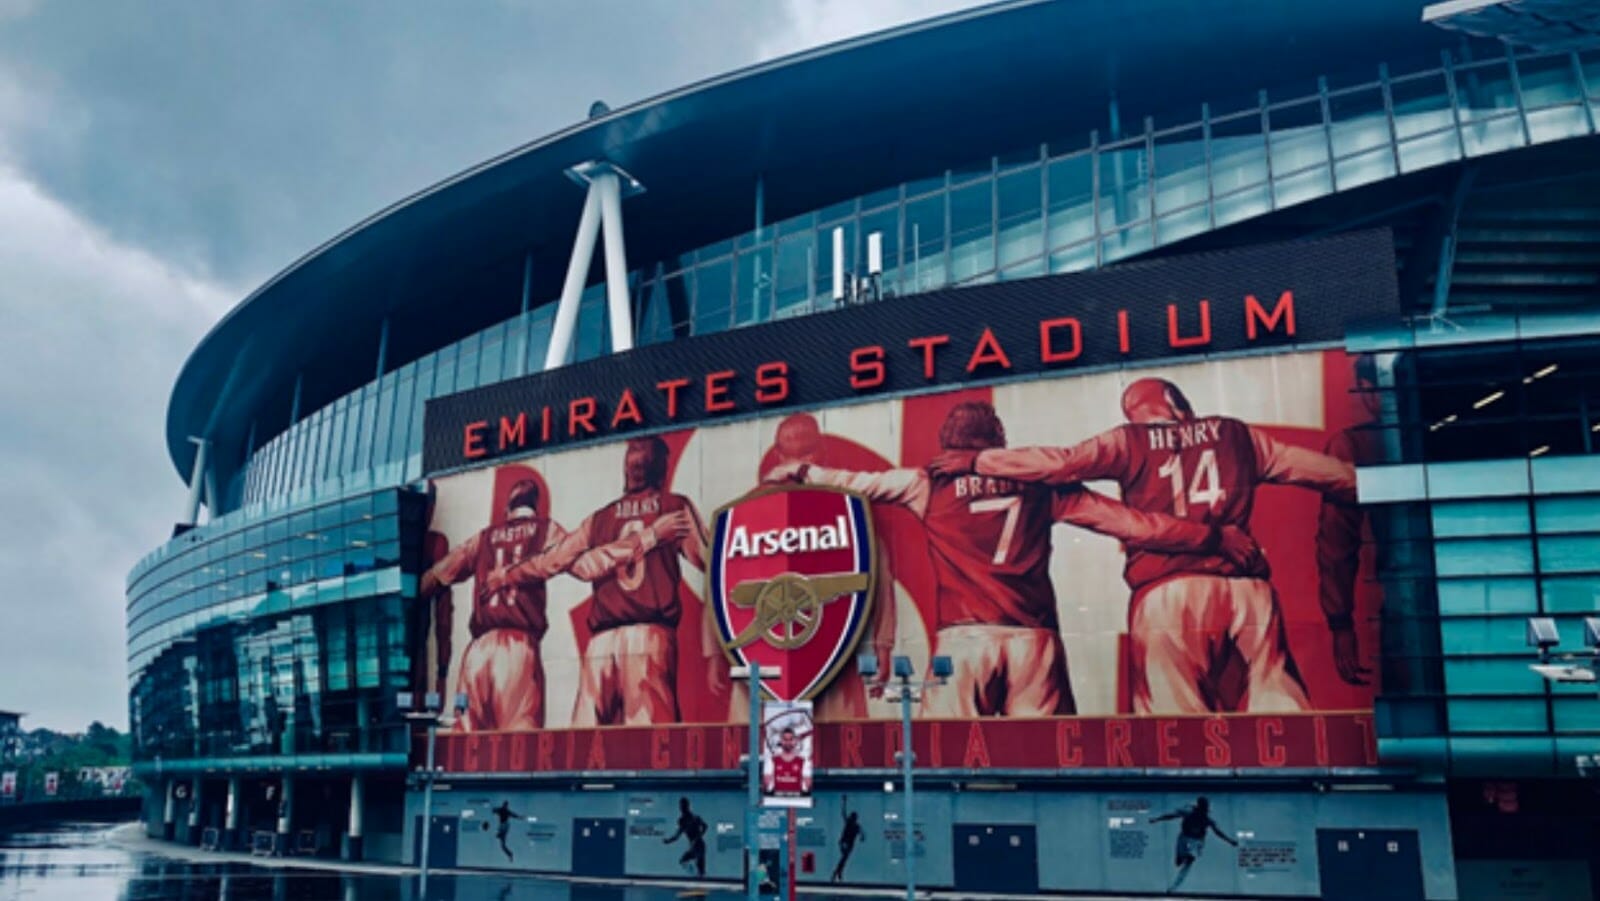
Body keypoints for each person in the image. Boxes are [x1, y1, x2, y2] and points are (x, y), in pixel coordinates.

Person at [768, 400, 1258, 717]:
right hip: (1034, 640)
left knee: (945, 764)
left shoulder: (926, 483)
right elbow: (1134, 524)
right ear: (999, 442)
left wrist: (802, 471)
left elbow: (854, 483)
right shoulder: (1044, 488)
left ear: (947, 443)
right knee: (1044, 764)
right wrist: (1213, 537)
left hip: (961, 640)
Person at [931, 378, 1357, 715]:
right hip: (1246, 587)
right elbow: (1334, 476)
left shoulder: (1128, 441)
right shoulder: (1238, 435)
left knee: (1173, 718)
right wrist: (1383, 483)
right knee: (1276, 696)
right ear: (1177, 404)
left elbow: (1062, 463)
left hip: (1167, 591)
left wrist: (979, 461)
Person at [420, 477, 674, 731]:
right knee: (518, 743)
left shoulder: (483, 538)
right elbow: (586, 567)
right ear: (535, 506)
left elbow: (435, 577)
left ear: (507, 509)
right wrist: (645, 539)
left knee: (466, 742)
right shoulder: (545, 529)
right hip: (517, 648)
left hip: (476, 651)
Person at [500, 438, 706, 726]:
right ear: (661, 469)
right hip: (649, 635)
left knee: (585, 738)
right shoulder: (673, 507)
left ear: (627, 471)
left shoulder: (600, 519)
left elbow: (553, 560)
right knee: (650, 739)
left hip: (601, 643)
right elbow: (710, 559)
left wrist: (509, 574)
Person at [725, 413, 898, 723]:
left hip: (771, 656)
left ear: (779, 456)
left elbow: (721, 583)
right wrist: (883, 644)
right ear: (820, 452)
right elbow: (877, 564)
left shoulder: (744, 510)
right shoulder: (842, 505)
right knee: (834, 743)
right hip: (823, 654)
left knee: (755, 742)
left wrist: (716, 653)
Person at [1317, 354, 1382, 687]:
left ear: (1366, 389)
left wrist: (1341, 623)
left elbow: (1336, 544)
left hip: (1397, 600)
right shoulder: (1354, 445)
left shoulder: (1353, 445)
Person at [1149, 796, 1237, 893]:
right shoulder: (1188, 812)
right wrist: (1157, 819)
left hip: (1197, 841)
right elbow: (1171, 816)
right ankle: (1181, 857)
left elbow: (1218, 832)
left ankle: (1174, 886)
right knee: (1179, 862)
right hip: (1184, 838)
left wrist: (1230, 841)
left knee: (1189, 860)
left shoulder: (1207, 819)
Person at [663, 796, 708, 878]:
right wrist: (668, 841)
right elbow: (677, 835)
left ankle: (699, 876)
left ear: (687, 807)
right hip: (693, 846)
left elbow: (705, 826)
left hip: (699, 846)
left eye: (683, 806)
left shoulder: (695, 818)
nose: (681, 808)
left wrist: (697, 837)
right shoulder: (682, 821)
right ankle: (695, 876)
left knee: (700, 869)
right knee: (683, 861)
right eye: (681, 807)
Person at [763, 726, 811, 799]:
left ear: (795, 741)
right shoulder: (771, 760)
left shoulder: (804, 761)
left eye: (791, 739)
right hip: (776, 798)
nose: (788, 742)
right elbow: (766, 784)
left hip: (798, 799)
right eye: (785, 739)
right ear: (781, 741)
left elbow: (808, 785)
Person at [831, 797, 864, 883]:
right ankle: (837, 873)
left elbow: (862, 834)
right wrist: (844, 802)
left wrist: (861, 836)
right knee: (844, 858)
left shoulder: (855, 825)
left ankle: (838, 872)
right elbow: (843, 812)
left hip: (848, 844)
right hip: (845, 843)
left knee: (844, 859)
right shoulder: (850, 823)